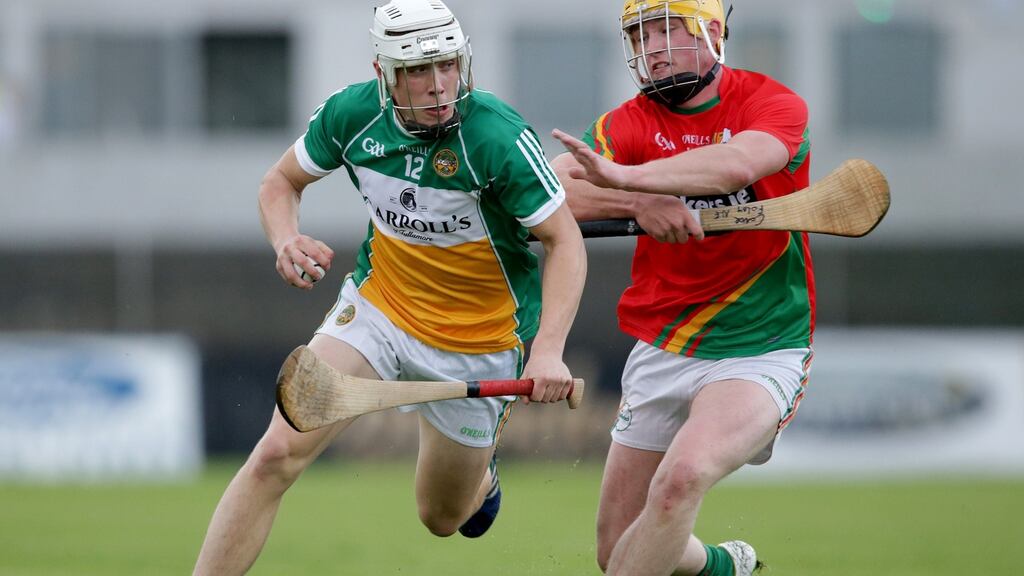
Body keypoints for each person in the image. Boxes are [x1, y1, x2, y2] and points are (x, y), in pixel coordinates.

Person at [193, 0, 586, 572]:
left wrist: (548, 350)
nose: (437, 86)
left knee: (442, 518)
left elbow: (565, 242)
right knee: (276, 454)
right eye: (418, 72)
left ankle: (482, 478)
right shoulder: (352, 117)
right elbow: (281, 180)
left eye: (448, 66)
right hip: (379, 310)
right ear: (385, 74)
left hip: (480, 344)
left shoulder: (497, 137)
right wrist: (285, 238)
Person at [550, 1, 813, 575]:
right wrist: (637, 202)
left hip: (760, 348)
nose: (653, 48)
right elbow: (551, 194)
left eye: (668, 30)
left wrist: (625, 177)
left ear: (713, 33)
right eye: (642, 36)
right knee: (617, 546)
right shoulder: (627, 123)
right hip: (663, 344)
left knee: (679, 482)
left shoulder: (770, 103)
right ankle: (724, 568)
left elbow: (738, 166)